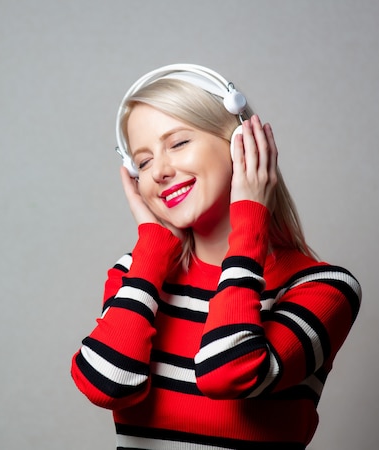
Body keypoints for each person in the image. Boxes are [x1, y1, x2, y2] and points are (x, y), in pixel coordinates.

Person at [71, 64, 361, 450]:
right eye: (142, 162)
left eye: (177, 144)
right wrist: (153, 247)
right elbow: (105, 385)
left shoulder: (323, 287)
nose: (159, 171)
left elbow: (227, 373)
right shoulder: (136, 274)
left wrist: (250, 221)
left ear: (239, 143)